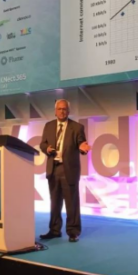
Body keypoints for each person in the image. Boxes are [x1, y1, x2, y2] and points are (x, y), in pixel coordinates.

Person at [39, 99, 91, 242]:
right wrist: (46, 148)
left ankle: (73, 232)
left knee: (71, 203)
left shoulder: (77, 127)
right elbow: (42, 144)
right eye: (59, 109)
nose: (62, 111)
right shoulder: (49, 126)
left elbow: (81, 144)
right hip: (53, 169)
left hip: (69, 169)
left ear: (68, 111)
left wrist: (83, 149)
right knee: (54, 203)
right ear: (55, 111)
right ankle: (54, 230)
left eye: (64, 109)